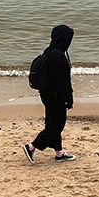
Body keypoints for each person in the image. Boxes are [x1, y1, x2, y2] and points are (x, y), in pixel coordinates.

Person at [23, 24, 76, 164]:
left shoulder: (49, 51)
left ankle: (59, 153)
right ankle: (31, 147)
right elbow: (63, 81)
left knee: (52, 123)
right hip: (56, 95)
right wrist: (68, 99)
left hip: (46, 94)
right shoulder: (58, 56)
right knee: (57, 125)